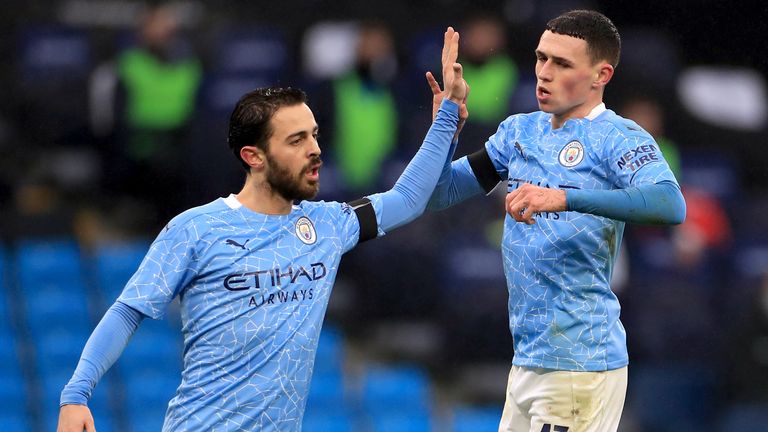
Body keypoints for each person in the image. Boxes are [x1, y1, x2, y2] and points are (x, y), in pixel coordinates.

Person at [57, 28, 468, 432]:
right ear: (253, 156)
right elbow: (128, 311)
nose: (315, 149)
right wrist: (76, 395)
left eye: (314, 135)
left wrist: (447, 114)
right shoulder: (196, 229)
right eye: (296, 140)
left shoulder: (326, 224)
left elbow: (409, 199)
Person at [426, 10, 686, 432]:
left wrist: (565, 198)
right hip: (527, 360)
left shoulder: (620, 136)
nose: (543, 73)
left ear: (601, 74)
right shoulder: (519, 133)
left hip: (579, 365)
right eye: (541, 58)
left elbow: (670, 204)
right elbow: (439, 194)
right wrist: (445, 126)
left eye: (561, 64)